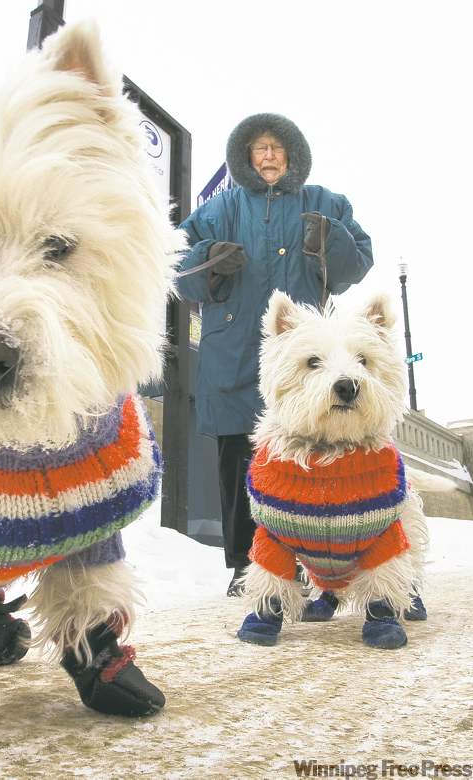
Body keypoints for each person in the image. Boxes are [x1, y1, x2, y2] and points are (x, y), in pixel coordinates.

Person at [177, 113, 373, 596]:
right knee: (241, 462)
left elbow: (358, 265)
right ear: (247, 158)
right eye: (258, 149)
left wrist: (331, 239)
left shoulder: (324, 203)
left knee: (312, 458)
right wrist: (212, 263)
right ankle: (248, 566)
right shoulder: (220, 209)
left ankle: (313, 564)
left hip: (308, 362)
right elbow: (176, 266)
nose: (268, 157)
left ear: (291, 155)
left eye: (276, 148)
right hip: (233, 356)